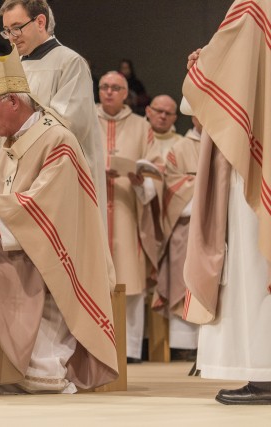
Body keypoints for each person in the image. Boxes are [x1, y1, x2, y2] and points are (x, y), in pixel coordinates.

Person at [0, 47, 118, 394]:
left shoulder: (56, 138)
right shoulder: (5, 143)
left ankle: (31, 370)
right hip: (16, 245)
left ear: (13, 101)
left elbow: (51, 208)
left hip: (54, 256)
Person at [182, 0, 271, 405]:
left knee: (254, 266)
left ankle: (262, 371)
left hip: (255, 163)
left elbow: (205, 89)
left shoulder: (253, 8)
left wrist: (198, 67)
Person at [0, 0, 107, 227]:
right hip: (19, 175)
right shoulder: (11, 66)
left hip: (57, 174)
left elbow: (68, 122)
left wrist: (16, 123)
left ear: (40, 21)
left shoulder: (69, 62)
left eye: (17, 28)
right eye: (7, 31)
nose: (11, 37)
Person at [97, 71, 161, 364]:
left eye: (116, 88)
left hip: (128, 211)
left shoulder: (141, 126)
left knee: (130, 281)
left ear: (126, 94)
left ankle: (131, 350)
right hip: (93, 211)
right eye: (104, 87)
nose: (109, 92)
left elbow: (155, 170)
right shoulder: (84, 121)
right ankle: (96, 349)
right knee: (94, 279)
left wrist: (139, 181)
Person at [154, 113, 202, 361]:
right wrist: (204, 185)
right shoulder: (179, 149)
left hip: (220, 229)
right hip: (186, 226)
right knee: (183, 284)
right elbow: (172, 187)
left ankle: (210, 345)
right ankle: (185, 346)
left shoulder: (226, 144)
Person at [145, 95, 183, 160]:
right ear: (148, 111)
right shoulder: (134, 135)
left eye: (168, 113)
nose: (163, 116)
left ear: (174, 118)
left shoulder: (181, 144)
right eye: (159, 111)